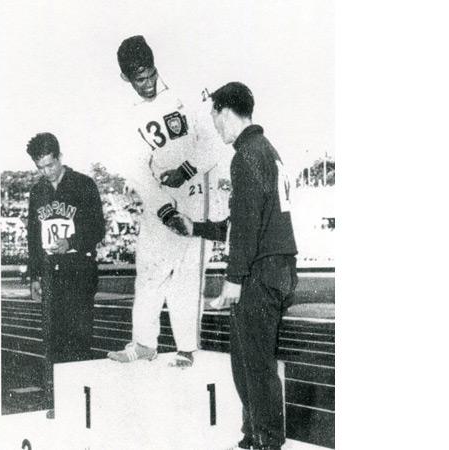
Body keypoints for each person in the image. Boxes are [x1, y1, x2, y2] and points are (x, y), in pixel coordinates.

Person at [167, 82, 298, 450]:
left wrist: (234, 279)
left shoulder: (246, 155)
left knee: (252, 365)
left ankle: (263, 441)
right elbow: (242, 221)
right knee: (253, 361)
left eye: (213, 114)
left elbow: (247, 224)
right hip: (278, 268)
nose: (213, 122)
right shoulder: (267, 151)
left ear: (225, 110)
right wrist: (197, 228)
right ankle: (256, 438)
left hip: (259, 271)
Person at [106, 35, 226, 368]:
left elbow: (214, 140)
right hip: (161, 194)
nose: (145, 85)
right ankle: (144, 343)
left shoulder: (186, 91)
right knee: (148, 270)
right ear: (125, 78)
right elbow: (135, 169)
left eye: (148, 75)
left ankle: (187, 348)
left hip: (196, 188)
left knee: (186, 274)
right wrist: (162, 208)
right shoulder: (125, 113)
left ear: (156, 65)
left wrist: (187, 170)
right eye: (137, 80)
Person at [25, 132, 105, 417]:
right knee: (53, 341)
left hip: (79, 272)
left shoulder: (83, 184)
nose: (46, 171)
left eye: (49, 164)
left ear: (59, 157)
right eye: (40, 167)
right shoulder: (38, 192)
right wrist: (34, 276)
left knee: (79, 339)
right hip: (50, 275)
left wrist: (71, 242)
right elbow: (33, 236)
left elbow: (98, 229)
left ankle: (82, 404)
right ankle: (57, 402)